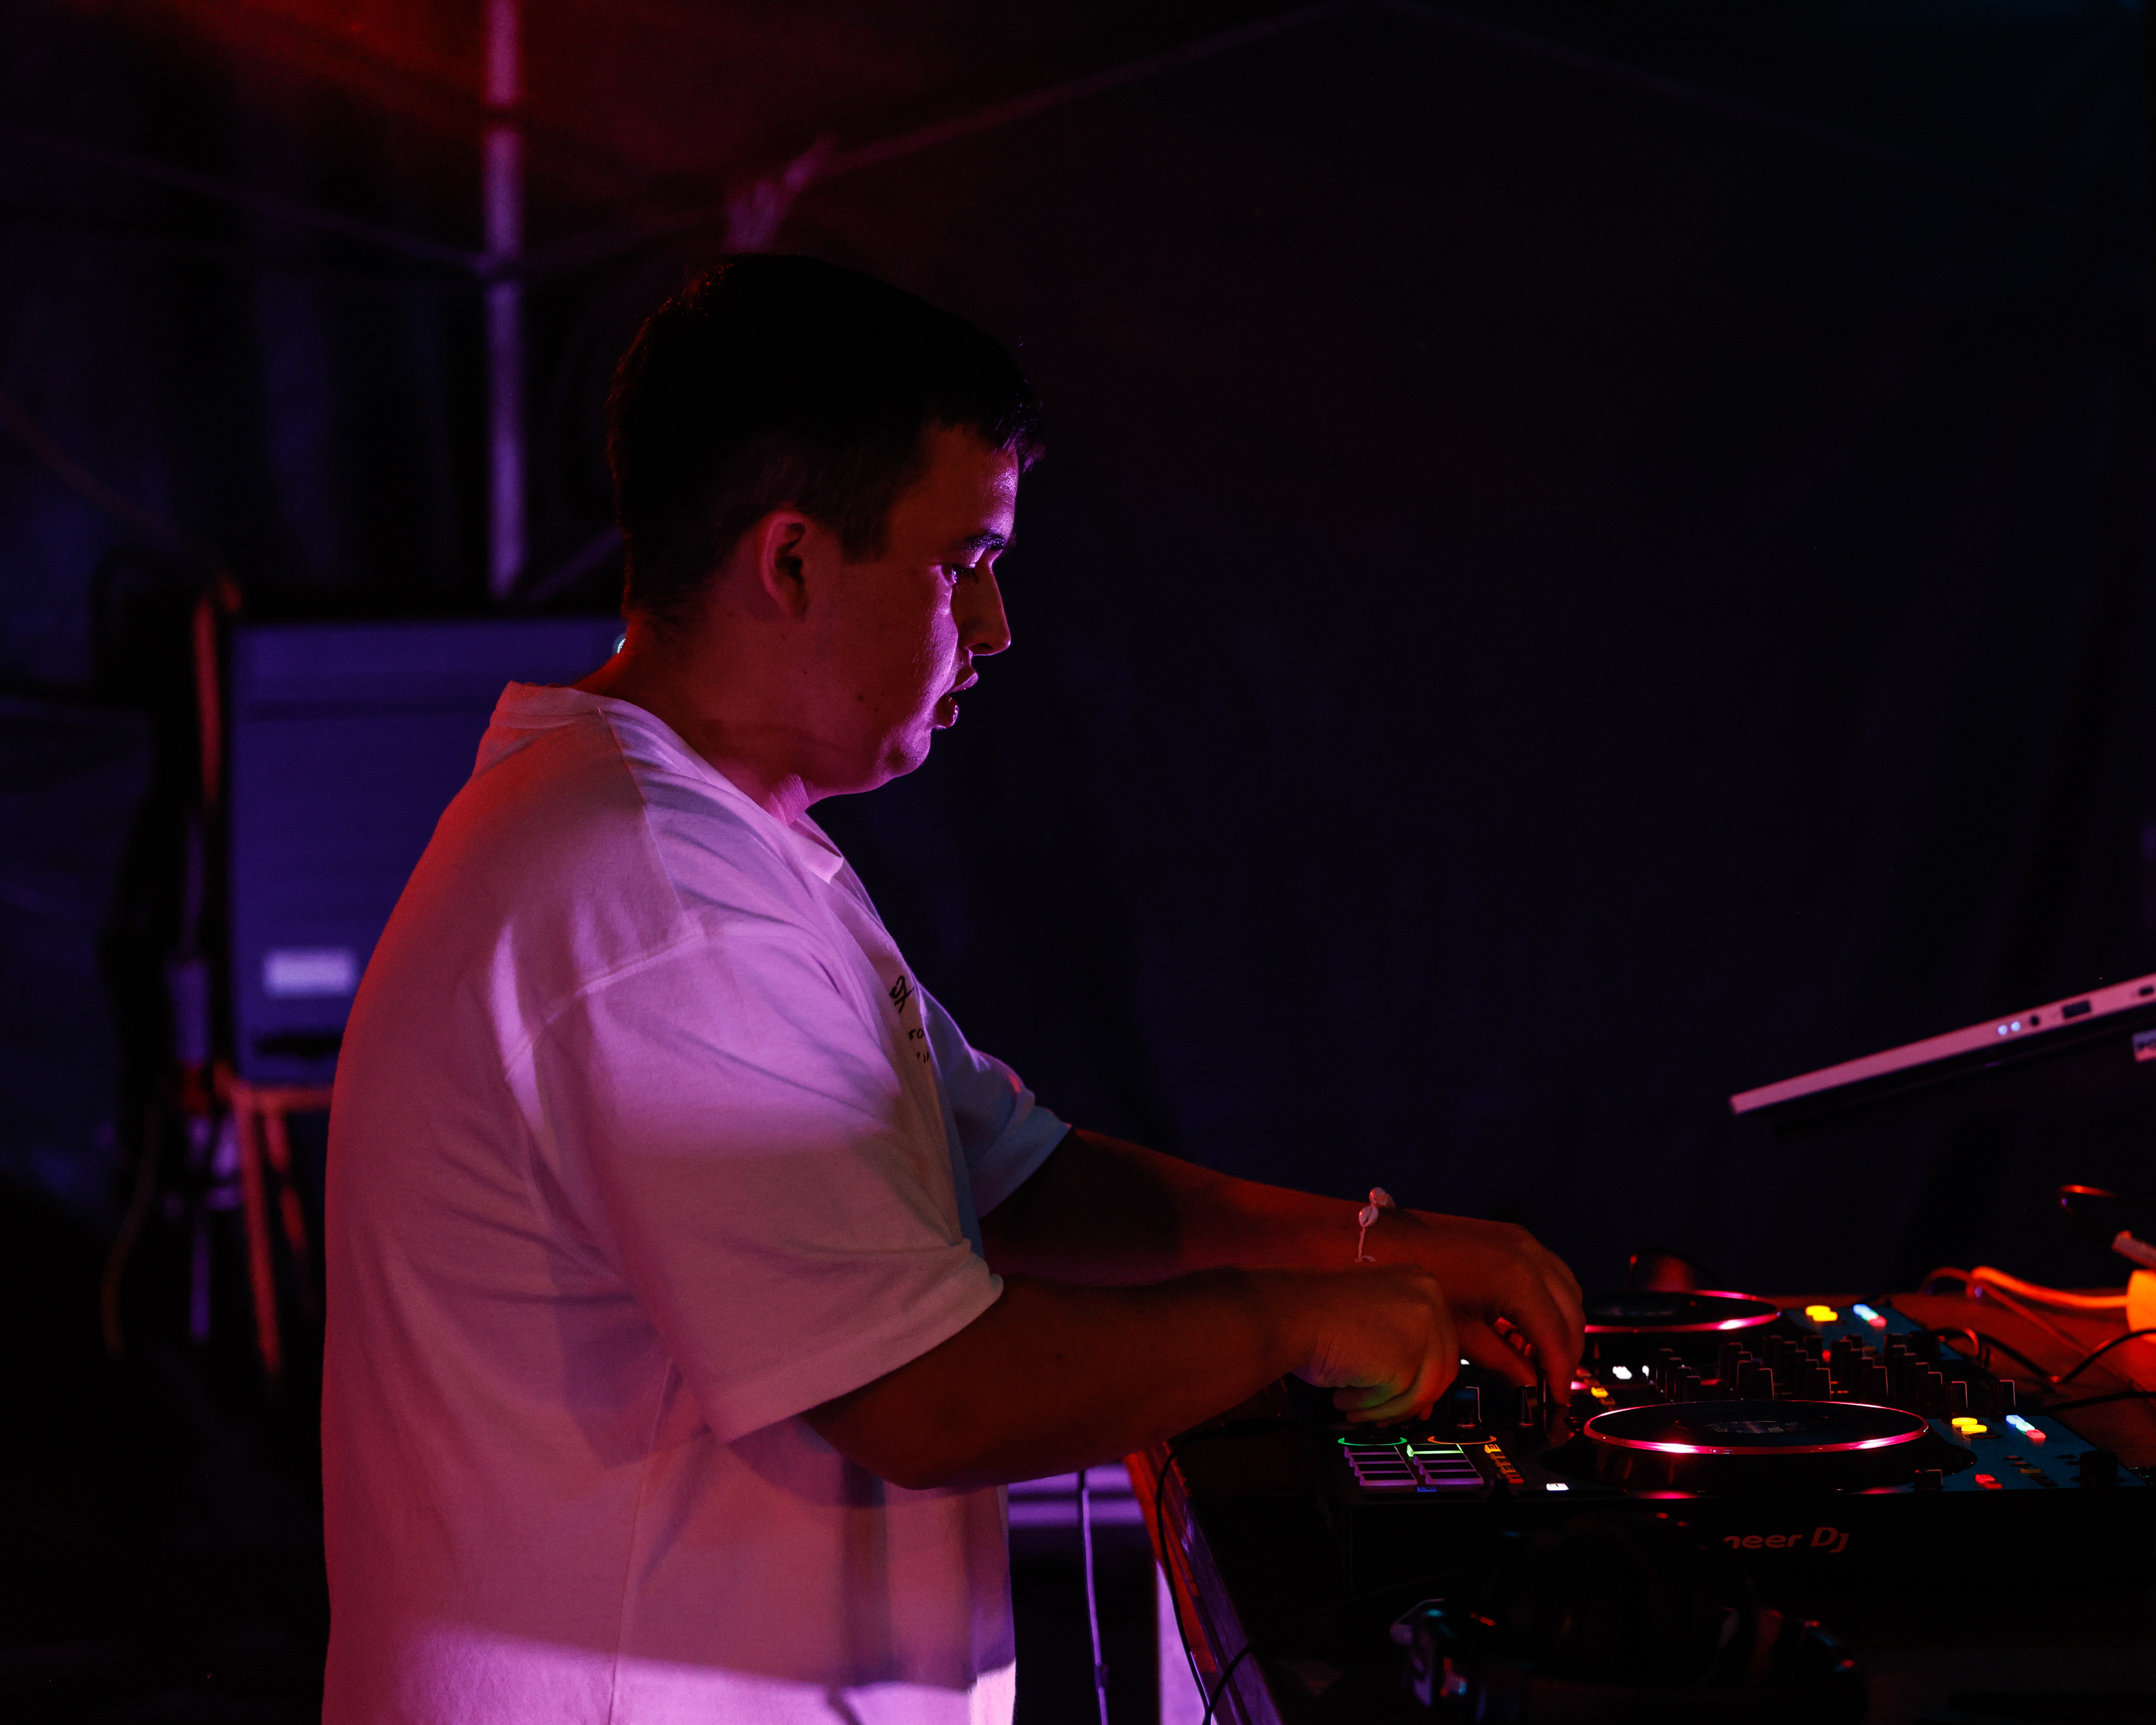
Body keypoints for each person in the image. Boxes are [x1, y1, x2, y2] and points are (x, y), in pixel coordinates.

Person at [321, 254, 1582, 1725]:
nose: (994, 628)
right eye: (962, 562)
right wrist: (1289, 1323)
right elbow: (927, 1397)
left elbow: (1015, 1181)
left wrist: (1378, 1247)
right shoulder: (658, 898)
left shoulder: (710, 842)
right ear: (792, 561)